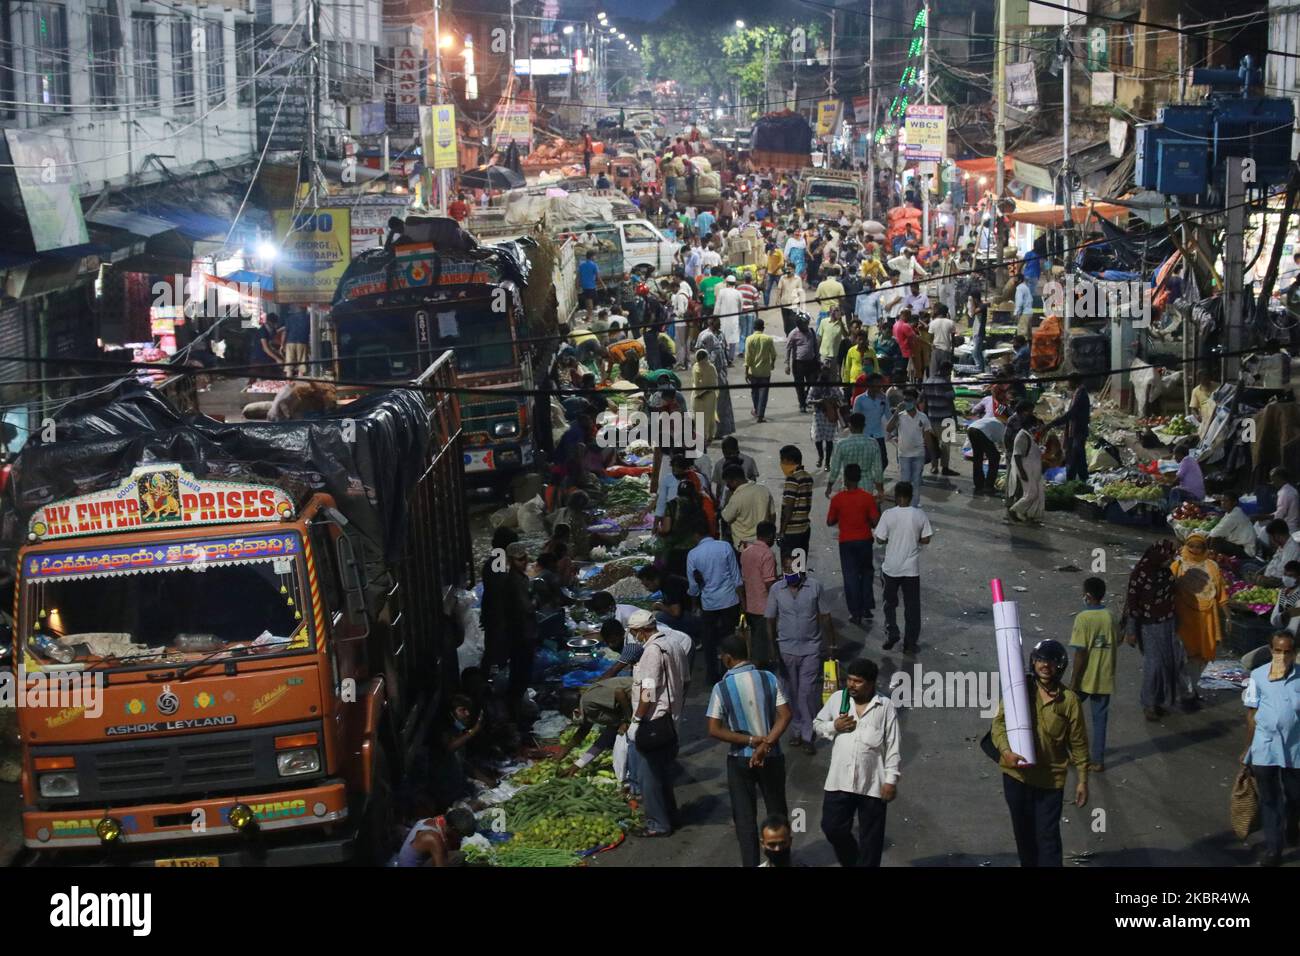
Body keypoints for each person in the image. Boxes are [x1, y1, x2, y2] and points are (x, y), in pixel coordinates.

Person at [991, 638, 1090, 868]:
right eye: (1041, 661)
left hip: (1049, 782)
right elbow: (998, 725)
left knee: (1048, 839)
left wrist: (1082, 781)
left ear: (1060, 666)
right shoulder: (1019, 690)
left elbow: (1079, 743)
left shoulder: (1070, 702)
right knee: (1024, 838)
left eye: (1051, 662)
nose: (1045, 666)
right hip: (1017, 778)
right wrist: (1006, 752)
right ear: (1033, 663)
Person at [706, 633, 793, 867]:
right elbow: (785, 715)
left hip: (739, 760)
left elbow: (714, 729)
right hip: (772, 757)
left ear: (727, 659)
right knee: (778, 814)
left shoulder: (721, 687)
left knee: (745, 821)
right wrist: (766, 744)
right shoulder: (768, 678)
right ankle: (782, 861)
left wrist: (751, 741)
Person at [813, 656, 900, 867]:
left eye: (858, 681)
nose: (851, 685)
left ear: (871, 683)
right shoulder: (838, 699)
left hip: (872, 783)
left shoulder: (885, 706)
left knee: (871, 840)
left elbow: (893, 745)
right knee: (832, 827)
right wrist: (835, 726)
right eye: (850, 679)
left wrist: (891, 780)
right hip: (839, 781)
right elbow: (817, 724)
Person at [765, 554, 837, 754]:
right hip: (785, 649)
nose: (789, 574)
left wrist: (831, 646)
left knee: (806, 693)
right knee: (790, 693)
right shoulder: (776, 590)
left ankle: (808, 734)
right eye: (786, 570)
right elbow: (770, 621)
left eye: (793, 570)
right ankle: (796, 729)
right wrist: (772, 650)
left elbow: (825, 616)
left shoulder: (814, 587)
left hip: (810, 649)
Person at [1242, 630, 1300, 866]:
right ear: (1270, 651)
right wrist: (1248, 750)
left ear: (1294, 653)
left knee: (1295, 796)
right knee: (1270, 798)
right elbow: (1251, 714)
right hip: (1265, 746)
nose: (1282, 656)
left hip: (1295, 748)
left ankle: (1292, 825)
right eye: (1278, 651)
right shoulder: (1257, 676)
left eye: (1287, 652)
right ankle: (1273, 848)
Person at [628, 609, 687, 837]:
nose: (634, 637)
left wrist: (636, 720)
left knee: (648, 777)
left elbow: (649, 691)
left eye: (635, 633)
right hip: (671, 717)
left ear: (643, 631)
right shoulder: (673, 644)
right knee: (663, 773)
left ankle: (657, 824)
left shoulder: (652, 652)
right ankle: (671, 816)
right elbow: (686, 679)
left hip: (654, 720)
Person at [1121, 540, 1183, 721]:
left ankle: (1160, 701)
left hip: (1168, 623)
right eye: (1168, 556)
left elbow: (1172, 595)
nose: (1170, 559)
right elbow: (1133, 604)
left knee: (1169, 663)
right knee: (1154, 665)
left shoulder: (1166, 572)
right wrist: (1131, 631)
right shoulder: (1140, 574)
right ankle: (1148, 703)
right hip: (1149, 625)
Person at [1170, 532, 1229, 711]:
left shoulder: (1212, 567)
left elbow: (1221, 594)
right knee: (1184, 656)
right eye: (1192, 546)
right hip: (1184, 619)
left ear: (1205, 549)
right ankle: (1185, 691)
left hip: (1206, 620)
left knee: (1201, 656)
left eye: (1199, 547)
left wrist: (1228, 616)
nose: (1195, 550)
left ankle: (1191, 689)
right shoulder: (1177, 566)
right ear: (1186, 547)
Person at [874, 481, 932, 653]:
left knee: (889, 603)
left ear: (896, 496)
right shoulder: (919, 514)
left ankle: (892, 632)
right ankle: (910, 642)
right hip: (911, 569)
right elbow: (927, 538)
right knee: (912, 607)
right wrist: (914, 539)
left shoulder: (888, 515)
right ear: (911, 496)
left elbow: (880, 539)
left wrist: (891, 538)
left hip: (891, 567)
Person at [1070, 577, 1119, 772]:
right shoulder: (1110, 616)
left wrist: (1074, 679)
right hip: (1105, 676)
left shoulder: (1083, 618)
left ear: (1087, 596)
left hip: (1085, 678)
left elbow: (1080, 652)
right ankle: (1097, 760)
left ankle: (1075, 754)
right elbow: (1118, 639)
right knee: (1100, 720)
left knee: (1067, 714)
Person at [687, 525, 744, 686]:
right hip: (729, 600)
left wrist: (694, 605)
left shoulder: (693, 554)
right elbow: (736, 577)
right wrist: (742, 603)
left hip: (709, 604)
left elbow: (693, 586)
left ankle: (712, 675)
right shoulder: (725, 546)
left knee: (709, 641)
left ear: (696, 534)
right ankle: (730, 671)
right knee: (729, 637)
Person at [828, 463, 881, 627]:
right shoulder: (867, 497)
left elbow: (830, 521)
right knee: (866, 574)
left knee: (850, 577)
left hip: (846, 542)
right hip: (865, 540)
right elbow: (875, 521)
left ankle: (855, 612)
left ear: (845, 479)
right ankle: (866, 607)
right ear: (859, 478)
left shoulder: (838, 499)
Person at [740, 521, 780, 665]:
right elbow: (769, 582)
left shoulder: (746, 552)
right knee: (765, 643)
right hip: (764, 605)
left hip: (750, 604)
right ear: (770, 536)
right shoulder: (767, 554)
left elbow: (744, 579)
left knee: (755, 641)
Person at [885, 389, 932, 503]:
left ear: (916, 401)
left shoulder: (923, 417)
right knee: (905, 483)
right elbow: (888, 428)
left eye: (909, 400)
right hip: (904, 455)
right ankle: (903, 506)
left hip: (918, 455)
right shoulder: (900, 416)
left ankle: (914, 507)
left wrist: (932, 456)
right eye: (905, 400)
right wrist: (896, 413)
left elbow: (927, 437)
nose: (907, 402)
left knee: (916, 483)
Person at [826, 412, 884, 499]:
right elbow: (878, 469)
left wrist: (830, 485)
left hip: (848, 486)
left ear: (850, 426)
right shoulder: (873, 443)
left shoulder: (842, 444)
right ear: (864, 426)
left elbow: (835, 468)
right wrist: (880, 489)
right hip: (867, 487)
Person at [393, 808, 478, 867]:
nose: (461, 838)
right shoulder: (433, 839)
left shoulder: (433, 821)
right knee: (458, 856)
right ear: (453, 829)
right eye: (461, 835)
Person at [696, 314, 735, 437]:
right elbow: (699, 354)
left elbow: (724, 350)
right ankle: (710, 431)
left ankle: (722, 430)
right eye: (718, 322)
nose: (720, 324)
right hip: (710, 375)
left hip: (721, 374)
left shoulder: (720, 334)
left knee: (722, 403)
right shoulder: (705, 336)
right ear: (711, 322)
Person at [918, 361, 959, 478]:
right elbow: (951, 401)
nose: (949, 374)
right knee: (945, 445)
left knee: (932, 445)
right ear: (946, 370)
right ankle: (945, 467)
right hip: (945, 419)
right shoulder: (946, 383)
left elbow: (921, 399)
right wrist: (955, 419)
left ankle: (934, 466)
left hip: (931, 418)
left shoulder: (928, 381)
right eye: (949, 371)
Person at [1048, 374, 1091, 483]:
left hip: (1078, 431)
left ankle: (1073, 482)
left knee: (1074, 457)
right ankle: (1082, 480)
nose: (1067, 384)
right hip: (1076, 431)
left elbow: (1072, 413)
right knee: (1078, 457)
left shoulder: (1081, 393)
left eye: (1068, 381)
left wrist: (1054, 422)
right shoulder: (1078, 392)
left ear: (1073, 381)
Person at [721, 464, 774, 549]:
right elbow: (772, 515)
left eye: (728, 483)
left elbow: (726, 517)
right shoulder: (764, 490)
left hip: (744, 546)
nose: (727, 486)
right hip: (764, 544)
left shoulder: (736, 498)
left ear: (735, 481)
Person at [778, 444, 815, 568]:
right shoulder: (807, 477)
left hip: (792, 530)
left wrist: (782, 531)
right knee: (800, 565)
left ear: (789, 461)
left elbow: (789, 507)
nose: (781, 464)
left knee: (790, 567)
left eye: (782, 460)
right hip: (804, 527)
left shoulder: (792, 478)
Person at [1008, 409, 1045, 523]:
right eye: (1036, 425)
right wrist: (1022, 472)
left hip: (1031, 469)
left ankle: (1025, 513)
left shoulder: (1027, 435)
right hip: (1025, 469)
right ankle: (1014, 510)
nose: (1037, 428)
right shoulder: (1022, 436)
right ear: (1030, 424)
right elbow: (1017, 455)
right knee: (1031, 493)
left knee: (1033, 493)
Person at [852, 373, 892, 471]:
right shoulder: (860, 399)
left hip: (878, 434)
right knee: (864, 461)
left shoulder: (883, 398)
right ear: (869, 384)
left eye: (880, 384)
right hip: (864, 435)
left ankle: (875, 478)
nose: (879, 387)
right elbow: (855, 418)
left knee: (883, 461)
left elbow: (888, 415)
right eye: (876, 384)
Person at [808, 363, 843, 470]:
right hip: (818, 414)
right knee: (817, 438)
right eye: (823, 372)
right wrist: (818, 401)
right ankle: (820, 456)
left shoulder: (833, 386)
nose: (825, 375)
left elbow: (841, 398)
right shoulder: (815, 386)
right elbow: (808, 400)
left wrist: (832, 400)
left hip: (830, 414)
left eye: (827, 373)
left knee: (829, 440)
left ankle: (827, 462)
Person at [743, 318, 777, 422]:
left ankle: (757, 411)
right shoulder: (768, 339)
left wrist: (746, 371)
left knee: (755, 392)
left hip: (753, 372)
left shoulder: (749, 339)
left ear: (754, 328)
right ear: (763, 328)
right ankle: (760, 415)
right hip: (765, 372)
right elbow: (774, 354)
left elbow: (747, 357)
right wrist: (772, 364)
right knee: (764, 394)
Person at [785, 313, 820, 412]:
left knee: (812, 384)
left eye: (807, 323)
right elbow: (788, 349)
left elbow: (815, 347)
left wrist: (818, 360)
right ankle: (802, 404)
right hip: (798, 364)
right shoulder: (793, 333)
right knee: (799, 386)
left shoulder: (812, 332)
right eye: (804, 323)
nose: (806, 325)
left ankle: (806, 397)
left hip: (811, 363)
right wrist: (787, 364)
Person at [1208, 491, 1258, 560]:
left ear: (1235, 502)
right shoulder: (1230, 513)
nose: (1223, 503)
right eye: (1222, 501)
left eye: (1226, 501)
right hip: (1238, 545)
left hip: (1246, 552)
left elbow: (1215, 533)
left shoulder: (1235, 514)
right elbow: (1218, 530)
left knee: (1216, 541)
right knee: (1212, 539)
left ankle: (1211, 560)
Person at [692, 348, 719, 446]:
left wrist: (702, 392)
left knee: (709, 417)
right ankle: (702, 437)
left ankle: (709, 436)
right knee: (699, 417)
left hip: (707, 395)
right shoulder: (697, 366)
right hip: (699, 395)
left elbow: (713, 383)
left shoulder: (710, 367)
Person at [714, 274, 745, 353]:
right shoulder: (738, 293)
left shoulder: (721, 292)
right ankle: (731, 358)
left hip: (723, 319)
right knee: (733, 338)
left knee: (723, 338)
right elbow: (740, 307)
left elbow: (717, 306)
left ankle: (724, 357)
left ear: (727, 283)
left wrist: (715, 316)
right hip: (733, 319)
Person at [252, 312, 284, 385]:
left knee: (268, 379)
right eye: (275, 323)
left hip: (267, 358)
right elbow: (265, 348)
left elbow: (272, 344)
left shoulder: (272, 330)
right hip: (258, 358)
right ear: (269, 322)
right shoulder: (262, 330)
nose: (276, 325)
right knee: (253, 379)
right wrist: (277, 358)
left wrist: (279, 352)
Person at [1270, 561, 1300, 639]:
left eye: (1291, 576)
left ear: (1298, 577)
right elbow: (1274, 619)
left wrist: (1291, 613)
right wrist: (1283, 615)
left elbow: (1295, 625)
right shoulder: (1282, 592)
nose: (1286, 578)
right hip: (1282, 630)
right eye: (1285, 574)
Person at [281, 308, 311, 379]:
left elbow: (285, 332)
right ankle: (299, 384)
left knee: (289, 366)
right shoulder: (308, 318)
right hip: (302, 342)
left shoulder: (289, 318)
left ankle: (288, 385)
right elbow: (311, 331)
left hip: (290, 342)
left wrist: (282, 345)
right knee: (301, 366)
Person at [579, 250, 602, 322]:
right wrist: (603, 285)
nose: (595, 257)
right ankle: (590, 317)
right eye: (595, 256)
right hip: (591, 286)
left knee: (587, 301)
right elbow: (598, 277)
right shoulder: (594, 265)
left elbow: (578, 276)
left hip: (584, 286)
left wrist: (577, 285)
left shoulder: (581, 265)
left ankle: (588, 316)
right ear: (592, 257)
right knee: (590, 302)